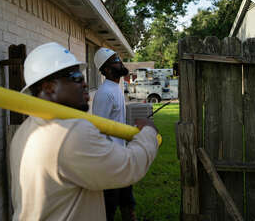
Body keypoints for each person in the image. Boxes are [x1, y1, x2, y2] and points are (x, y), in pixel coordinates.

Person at [10, 42, 159, 221]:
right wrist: (148, 133)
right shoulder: (69, 132)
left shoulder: (25, 132)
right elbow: (129, 166)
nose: (85, 83)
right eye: (75, 77)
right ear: (49, 87)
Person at [92, 48, 136, 221]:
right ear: (107, 69)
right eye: (115, 60)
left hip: (122, 155)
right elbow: (99, 129)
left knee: (128, 202)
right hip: (110, 160)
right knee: (108, 208)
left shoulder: (117, 87)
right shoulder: (104, 93)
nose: (120, 61)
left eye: (118, 58)